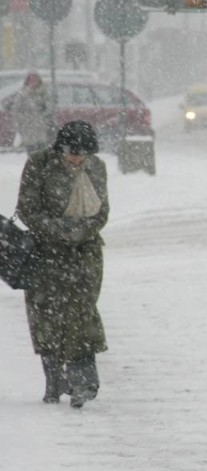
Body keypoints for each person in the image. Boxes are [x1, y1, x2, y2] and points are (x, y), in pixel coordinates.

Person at [16, 120, 109, 409]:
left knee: (82, 313)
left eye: (84, 154)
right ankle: (55, 379)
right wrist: (60, 231)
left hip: (85, 253)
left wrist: (81, 232)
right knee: (48, 315)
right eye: (72, 153)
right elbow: (28, 209)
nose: (78, 159)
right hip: (46, 254)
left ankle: (83, 381)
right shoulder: (39, 164)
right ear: (60, 148)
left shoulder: (96, 167)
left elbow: (101, 211)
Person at [11, 72, 54, 154]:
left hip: (41, 127)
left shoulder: (44, 93)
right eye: (31, 80)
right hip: (28, 127)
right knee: (31, 151)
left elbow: (50, 108)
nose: (33, 82)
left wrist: (44, 110)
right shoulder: (22, 94)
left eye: (35, 80)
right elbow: (17, 110)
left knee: (42, 150)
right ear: (27, 82)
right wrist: (21, 123)